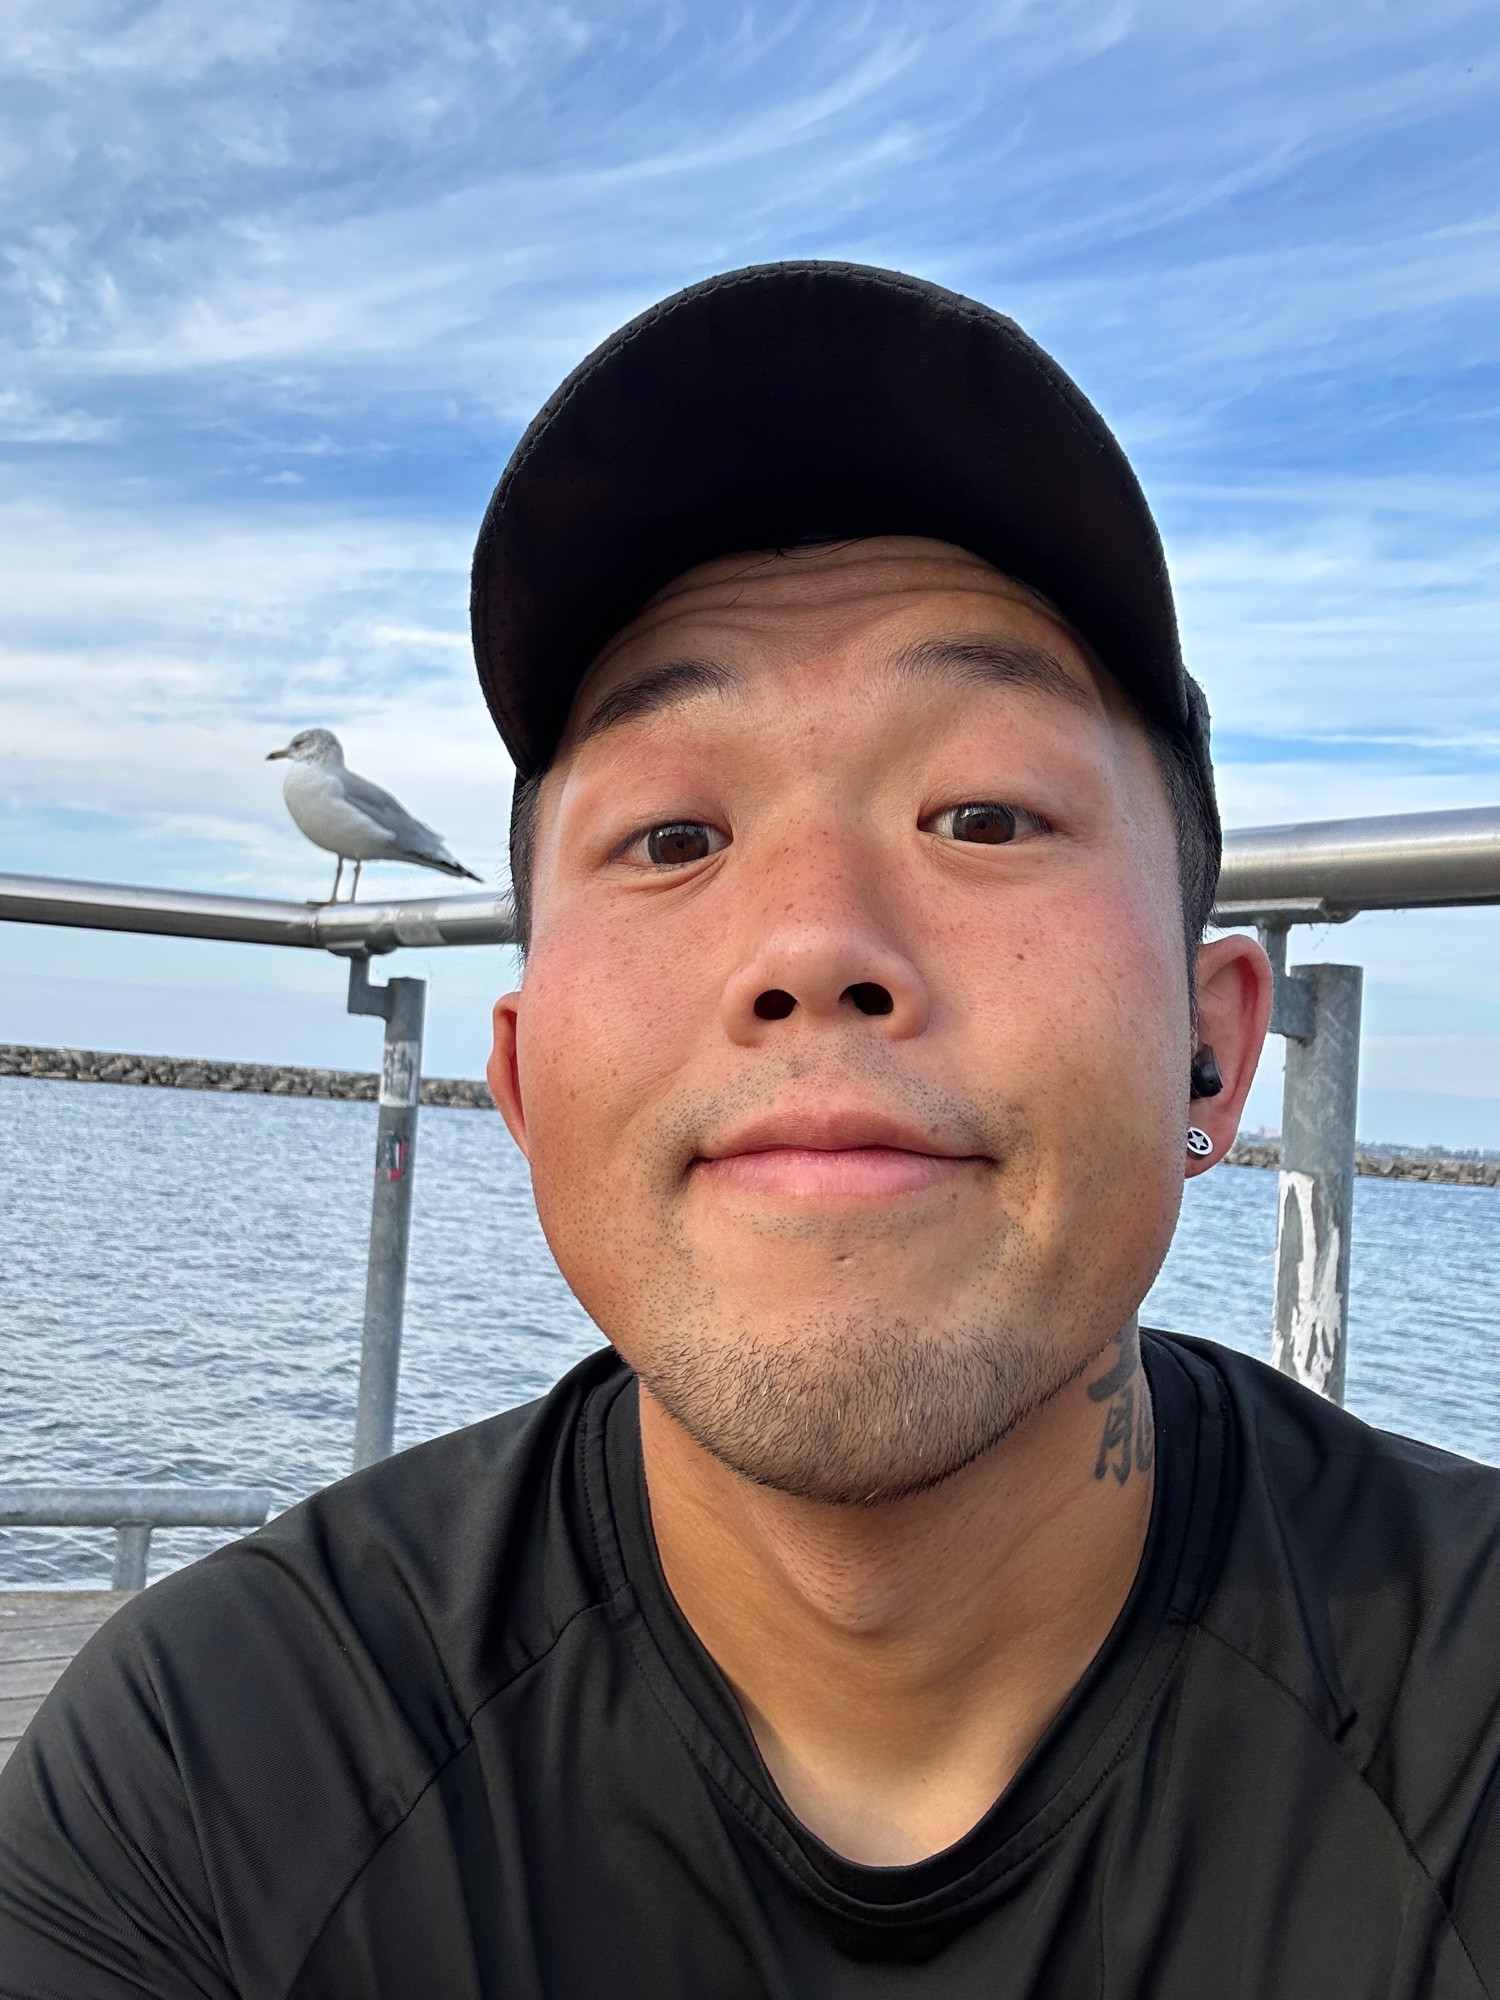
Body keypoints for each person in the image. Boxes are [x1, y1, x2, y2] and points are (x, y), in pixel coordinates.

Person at [2, 263, 1498, 2000]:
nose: (811, 948)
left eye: (986, 813)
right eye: (670, 838)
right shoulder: (215, 1785)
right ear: (521, 1081)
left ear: (1212, 1051)